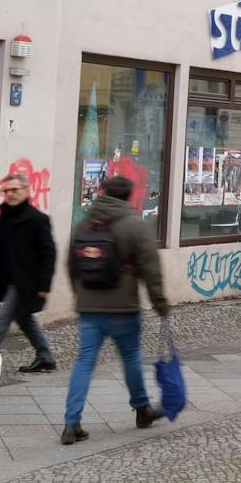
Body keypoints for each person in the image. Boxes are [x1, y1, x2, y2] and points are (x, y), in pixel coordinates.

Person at [61, 174, 166, 445]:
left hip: (89, 306)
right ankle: (142, 410)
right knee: (130, 358)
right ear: (129, 196)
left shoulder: (85, 222)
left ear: (104, 192)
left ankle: (71, 423)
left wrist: (78, 292)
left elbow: (70, 262)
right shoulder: (135, 225)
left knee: (84, 362)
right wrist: (160, 304)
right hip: (123, 307)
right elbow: (151, 270)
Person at [0, 171, 57, 376]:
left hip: (26, 282)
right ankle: (46, 357)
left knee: (3, 321)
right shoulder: (6, 215)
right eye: (6, 191)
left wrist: (44, 285)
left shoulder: (37, 219)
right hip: (8, 279)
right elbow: (0, 246)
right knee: (25, 319)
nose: (10, 194)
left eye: (15, 190)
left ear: (26, 191)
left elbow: (49, 253)